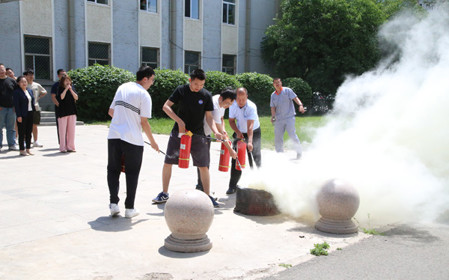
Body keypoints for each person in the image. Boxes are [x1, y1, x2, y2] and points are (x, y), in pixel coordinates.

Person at [152, 69, 223, 207]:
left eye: (201, 85)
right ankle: (164, 193)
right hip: (179, 133)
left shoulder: (206, 95)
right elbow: (166, 107)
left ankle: (207, 196)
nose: (198, 87)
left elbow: (209, 117)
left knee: (203, 165)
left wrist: (216, 131)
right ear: (190, 80)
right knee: (168, 162)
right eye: (196, 84)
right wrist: (179, 121)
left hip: (197, 135)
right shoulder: (181, 90)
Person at [107, 66, 159, 218]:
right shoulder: (144, 94)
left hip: (114, 135)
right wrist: (153, 142)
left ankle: (113, 204)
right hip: (133, 140)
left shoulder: (122, 87)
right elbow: (144, 122)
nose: (152, 83)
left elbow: (111, 112)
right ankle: (129, 208)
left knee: (113, 170)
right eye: (152, 80)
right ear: (145, 78)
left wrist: (121, 122)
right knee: (132, 173)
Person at [196, 88, 237, 192]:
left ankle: (201, 185)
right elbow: (217, 124)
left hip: (207, 132)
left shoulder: (222, 102)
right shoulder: (214, 106)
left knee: (204, 161)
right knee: (204, 162)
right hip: (200, 132)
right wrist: (230, 150)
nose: (227, 106)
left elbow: (222, 119)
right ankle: (201, 187)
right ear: (220, 98)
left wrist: (223, 130)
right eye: (227, 103)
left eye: (230, 104)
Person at [227, 87, 262, 194]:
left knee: (256, 156)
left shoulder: (251, 106)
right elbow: (231, 121)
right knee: (236, 157)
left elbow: (250, 127)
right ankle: (232, 186)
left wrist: (250, 142)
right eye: (238, 98)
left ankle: (262, 182)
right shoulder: (232, 105)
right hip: (240, 131)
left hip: (253, 132)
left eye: (243, 98)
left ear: (247, 96)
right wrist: (237, 132)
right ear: (235, 98)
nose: (241, 101)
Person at [270, 78, 305, 159]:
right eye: (275, 83)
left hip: (289, 117)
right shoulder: (273, 95)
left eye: (278, 82)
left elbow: (295, 98)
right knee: (278, 137)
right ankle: (280, 154)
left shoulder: (287, 91)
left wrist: (300, 105)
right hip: (279, 119)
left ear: (281, 83)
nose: (277, 84)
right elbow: (272, 107)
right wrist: (273, 117)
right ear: (273, 85)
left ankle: (299, 151)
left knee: (292, 135)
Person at [24, 69, 47, 147]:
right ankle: (25, 141)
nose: (31, 77)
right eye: (29, 75)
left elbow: (44, 91)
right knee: (25, 125)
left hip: (35, 107)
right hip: (25, 107)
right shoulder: (24, 85)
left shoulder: (36, 85)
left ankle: (35, 141)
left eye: (32, 75)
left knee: (34, 125)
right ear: (25, 76)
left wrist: (39, 97)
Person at [13, 76, 35, 156]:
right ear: (18, 83)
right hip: (22, 114)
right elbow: (17, 105)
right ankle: (22, 150)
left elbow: (32, 102)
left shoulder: (29, 91)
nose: (24, 83)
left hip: (30, 113)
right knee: (22, 132)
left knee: (29, 132)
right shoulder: (17, 92)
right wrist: (19, 115)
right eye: (22, 82)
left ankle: (28, 149)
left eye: (25, 81)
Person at [56, 75, 78, 153]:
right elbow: (61, 97)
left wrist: (71, 90)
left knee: (71, 131)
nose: (68, 82)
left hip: (72, 112)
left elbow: (76, 97)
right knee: (62, 131)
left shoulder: (73, 88)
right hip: (62, 112)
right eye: (66, 81)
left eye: (69, 80)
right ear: (63, 82)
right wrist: (66, 89)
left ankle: (70, 147)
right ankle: (62, 147)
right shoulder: (59, 89)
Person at [0, 63, 18, 151]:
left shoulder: (12, 81)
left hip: (12, 108)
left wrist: (16, 106)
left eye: (2, 69)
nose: (1, 71)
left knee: (11, 128)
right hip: (1, 108)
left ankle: (12, 144)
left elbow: (17, 94)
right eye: (0, 70)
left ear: (5, 71)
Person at [51, 69, 66, 143]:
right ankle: (61, 142)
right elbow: (53, 97)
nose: (63, 76)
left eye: (65, 74)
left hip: (68, 108)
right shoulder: (55, 85)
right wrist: (59, 105)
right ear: (58, 76)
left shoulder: (68, 84)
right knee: (60, 125)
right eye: (62, 74)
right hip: (59, 107)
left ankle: (68, 142)